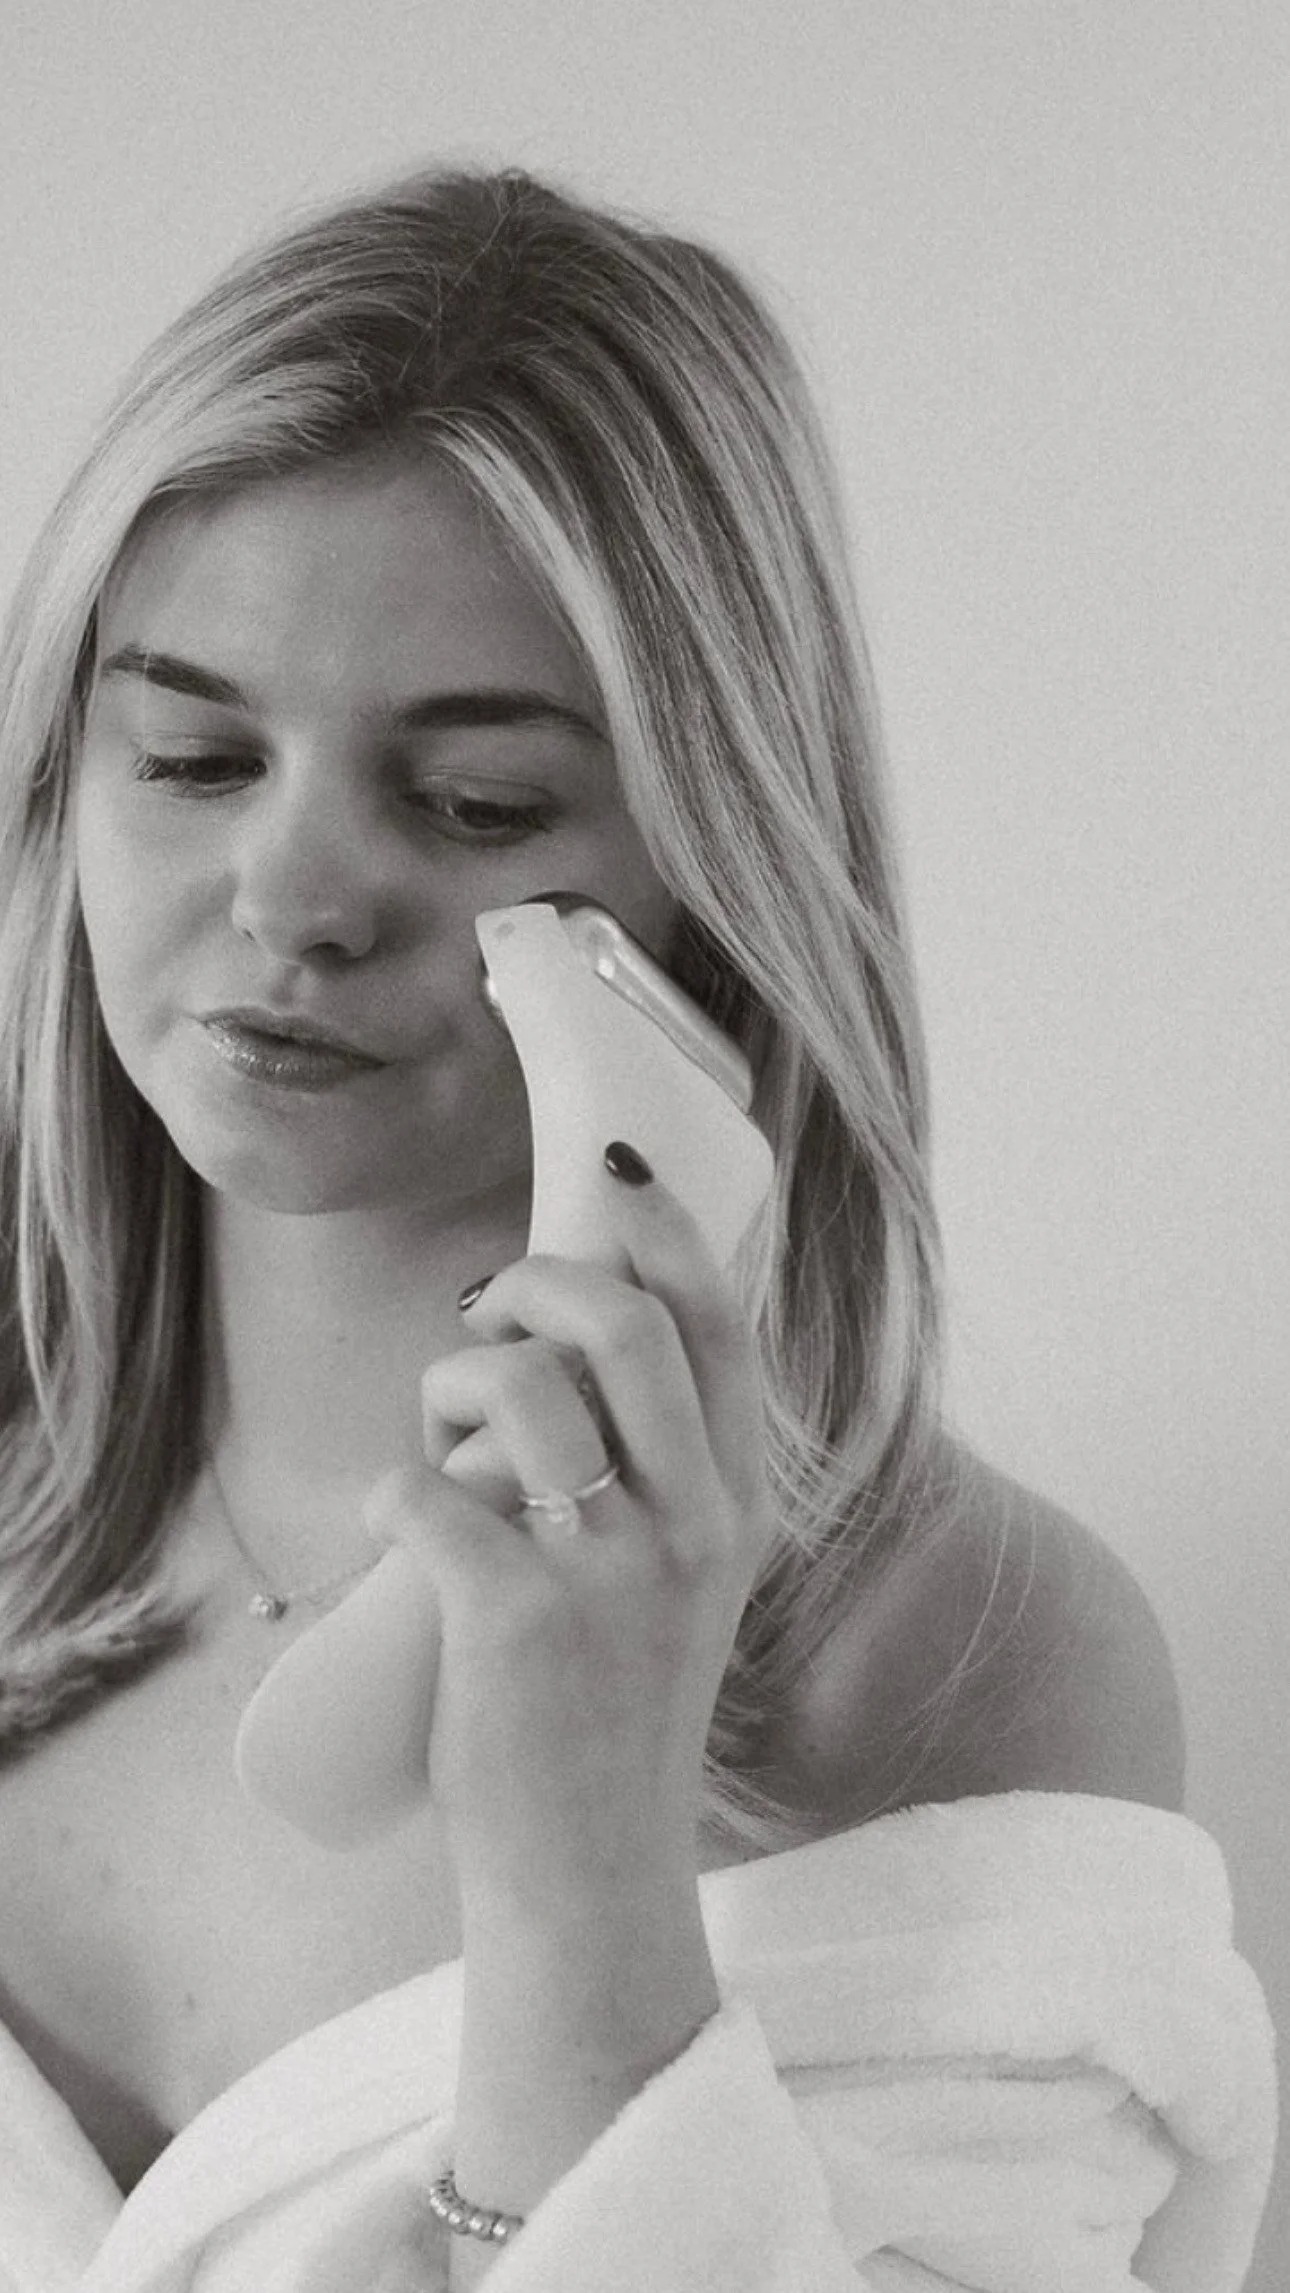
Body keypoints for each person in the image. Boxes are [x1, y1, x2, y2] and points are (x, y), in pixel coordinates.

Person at [0, 165, 1274, 2291]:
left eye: (477, 801)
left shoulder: (951, 1664)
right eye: (195, 757)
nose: (296, 898)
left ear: (715, 864)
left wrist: (584, 1874)